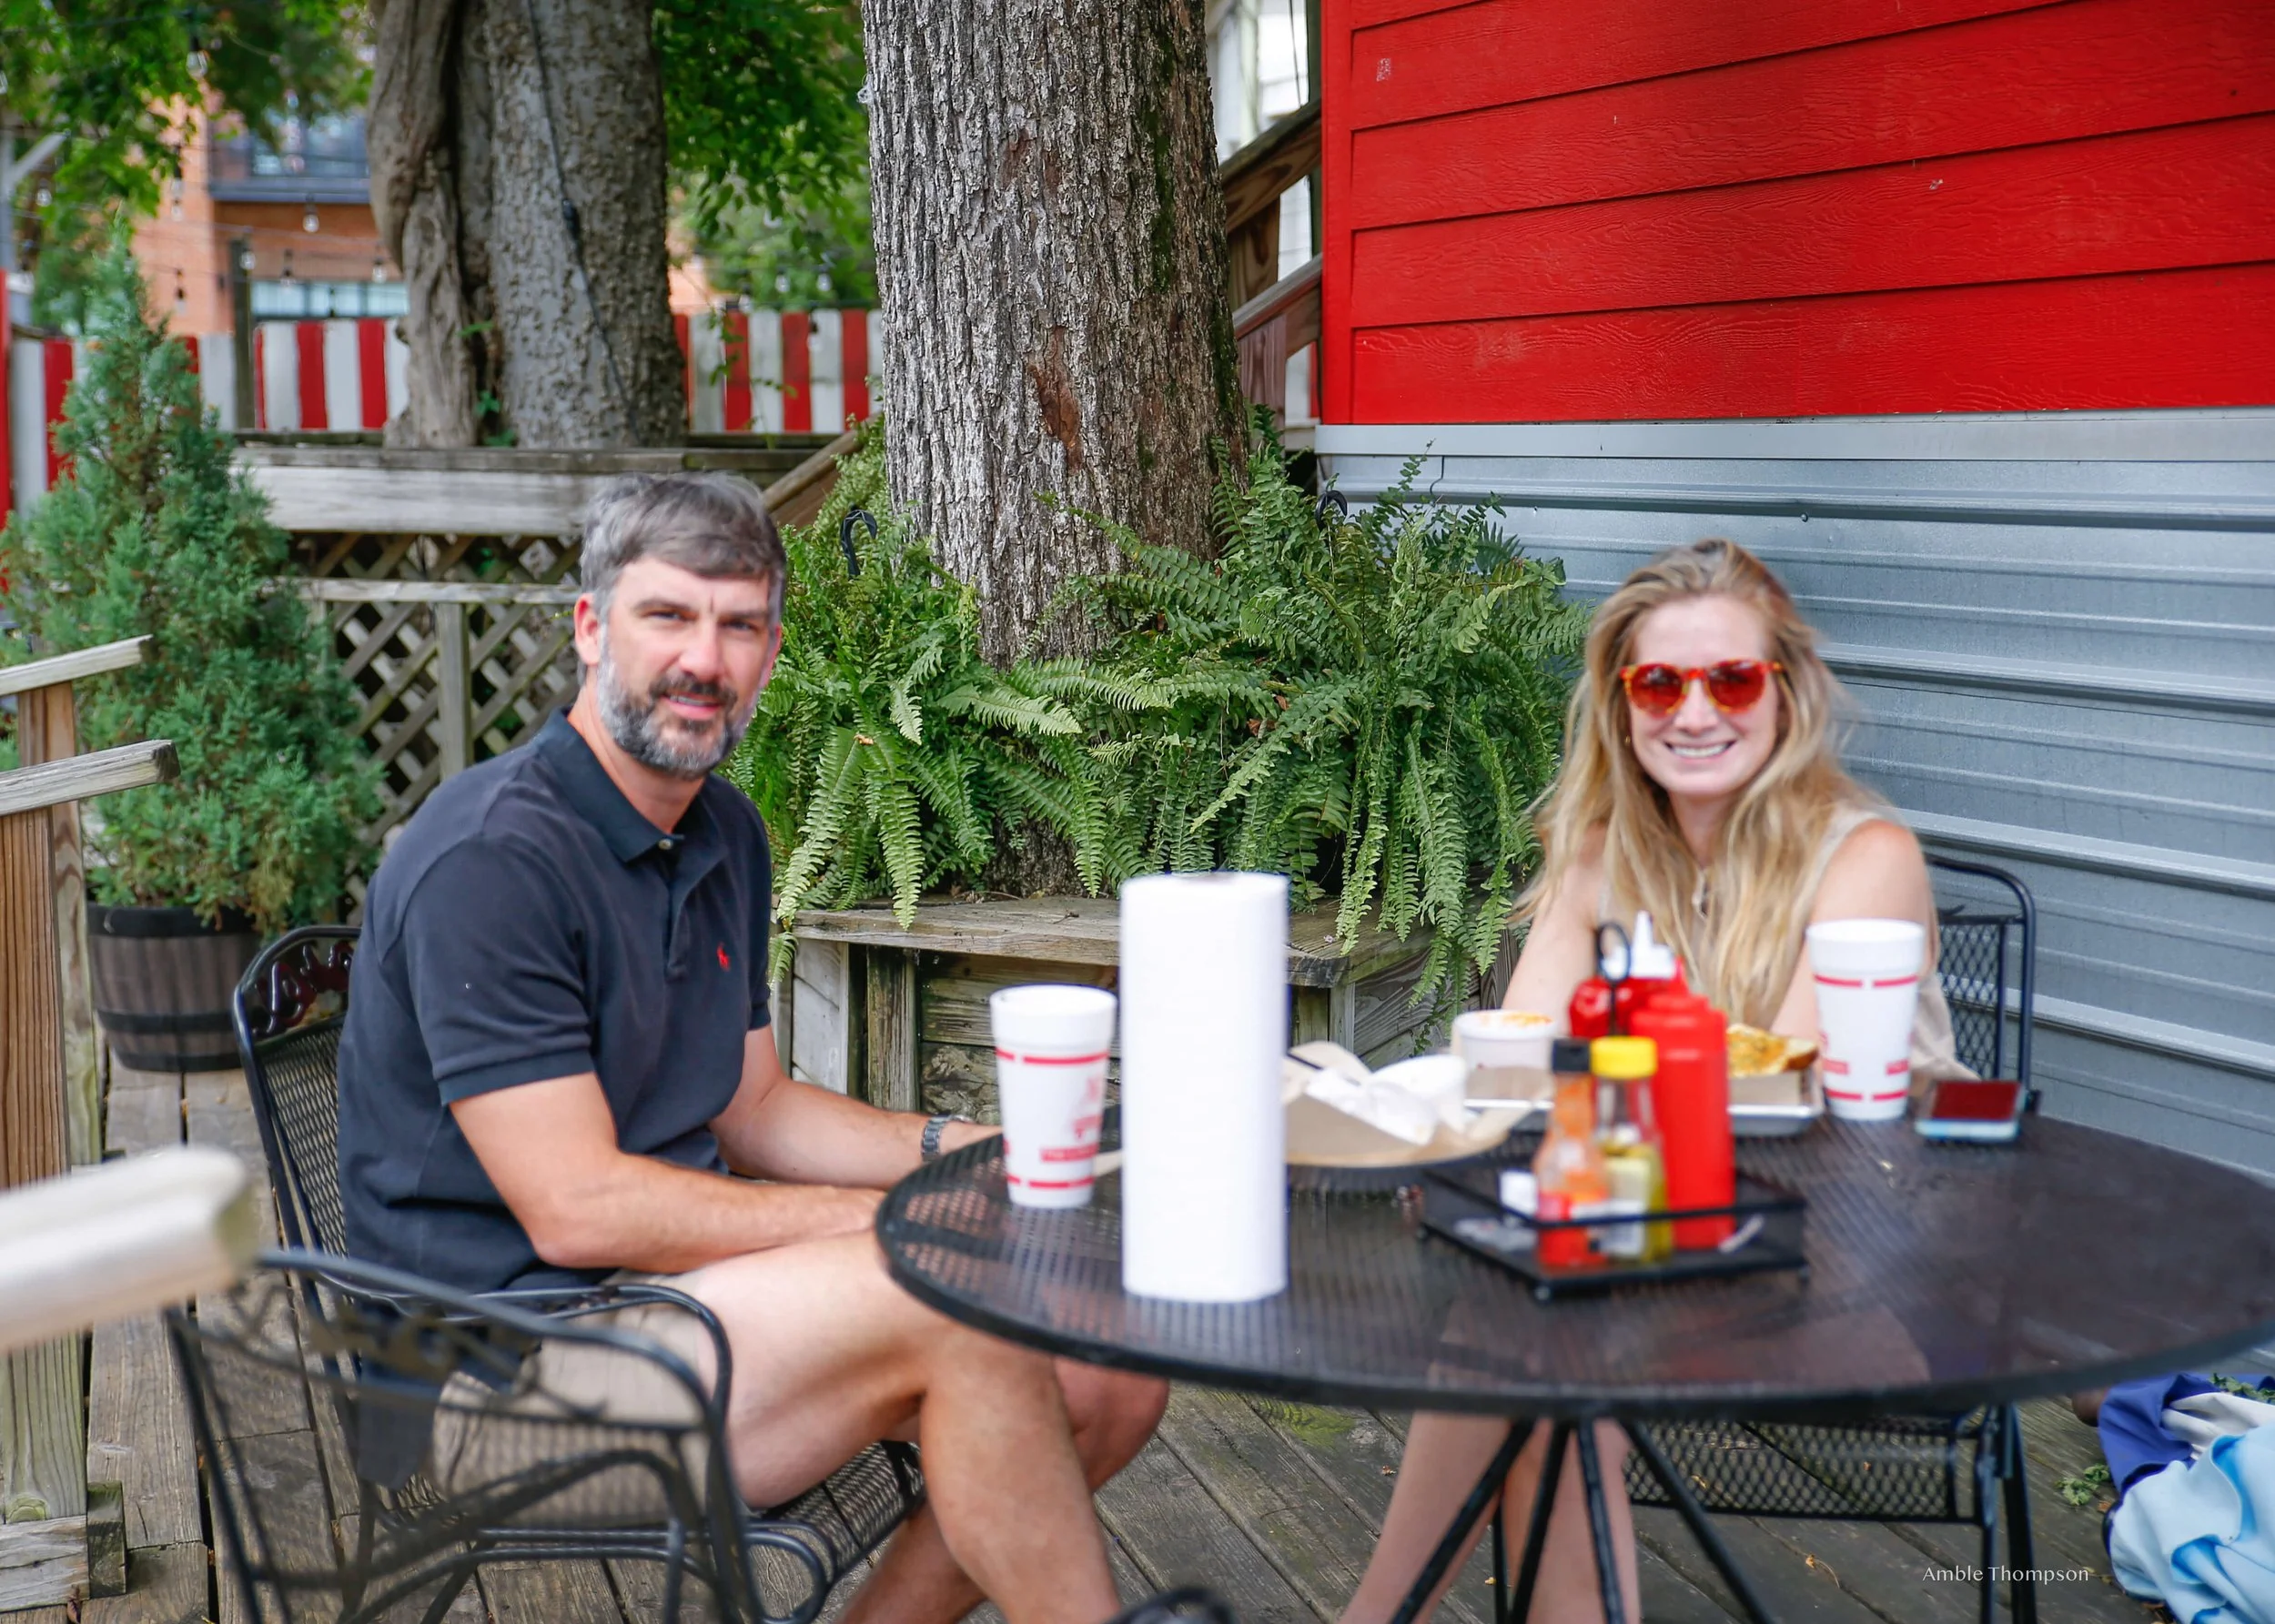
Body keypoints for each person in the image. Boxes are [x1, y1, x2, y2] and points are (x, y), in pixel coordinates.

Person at [336, 473, 1167, 1624]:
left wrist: (975, 1152)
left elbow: (756, 1107)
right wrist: (901, 1222)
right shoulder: (493, 861)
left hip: (670, 1303)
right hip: (495, 1376)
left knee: (1109, 1356)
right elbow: (577, 1210)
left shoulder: (722, 828)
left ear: (772, 652)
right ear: (589, 629)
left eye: (739, 625)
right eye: (667, 616)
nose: (704, 660)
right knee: (957, 1299)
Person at [1342, 537, 1967, 1622]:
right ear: (1620, 702)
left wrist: (1566, 1109)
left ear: (1784, 694)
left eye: (1728, 678)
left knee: (1530, 1332)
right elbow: (1521, 1059)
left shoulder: (1865, 856)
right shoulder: (1599, 851)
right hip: (1650, 1233)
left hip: (1852, 1256)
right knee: (1538, 1345)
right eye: (1658, 681)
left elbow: (1778, 1107)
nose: (1693, 711)